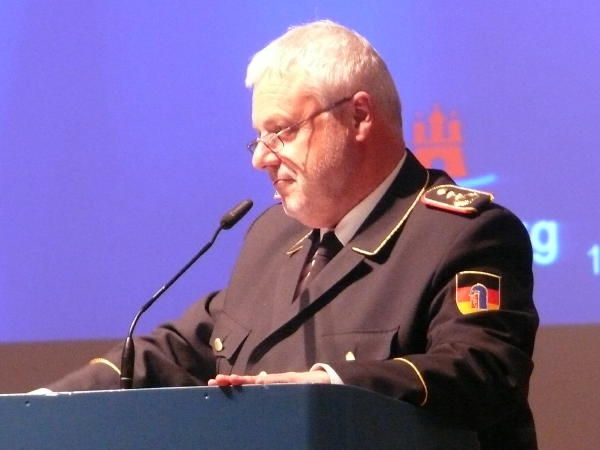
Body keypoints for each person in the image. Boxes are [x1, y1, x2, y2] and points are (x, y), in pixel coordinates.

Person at [46, 21, 538, 448]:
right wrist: (46, 406)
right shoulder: (273, 233)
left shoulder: (461, 234)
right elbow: (179, 349)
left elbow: (484, 370)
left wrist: (327, 388)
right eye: (258, 138)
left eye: (281, 131)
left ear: (359, 116)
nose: (261, 158)